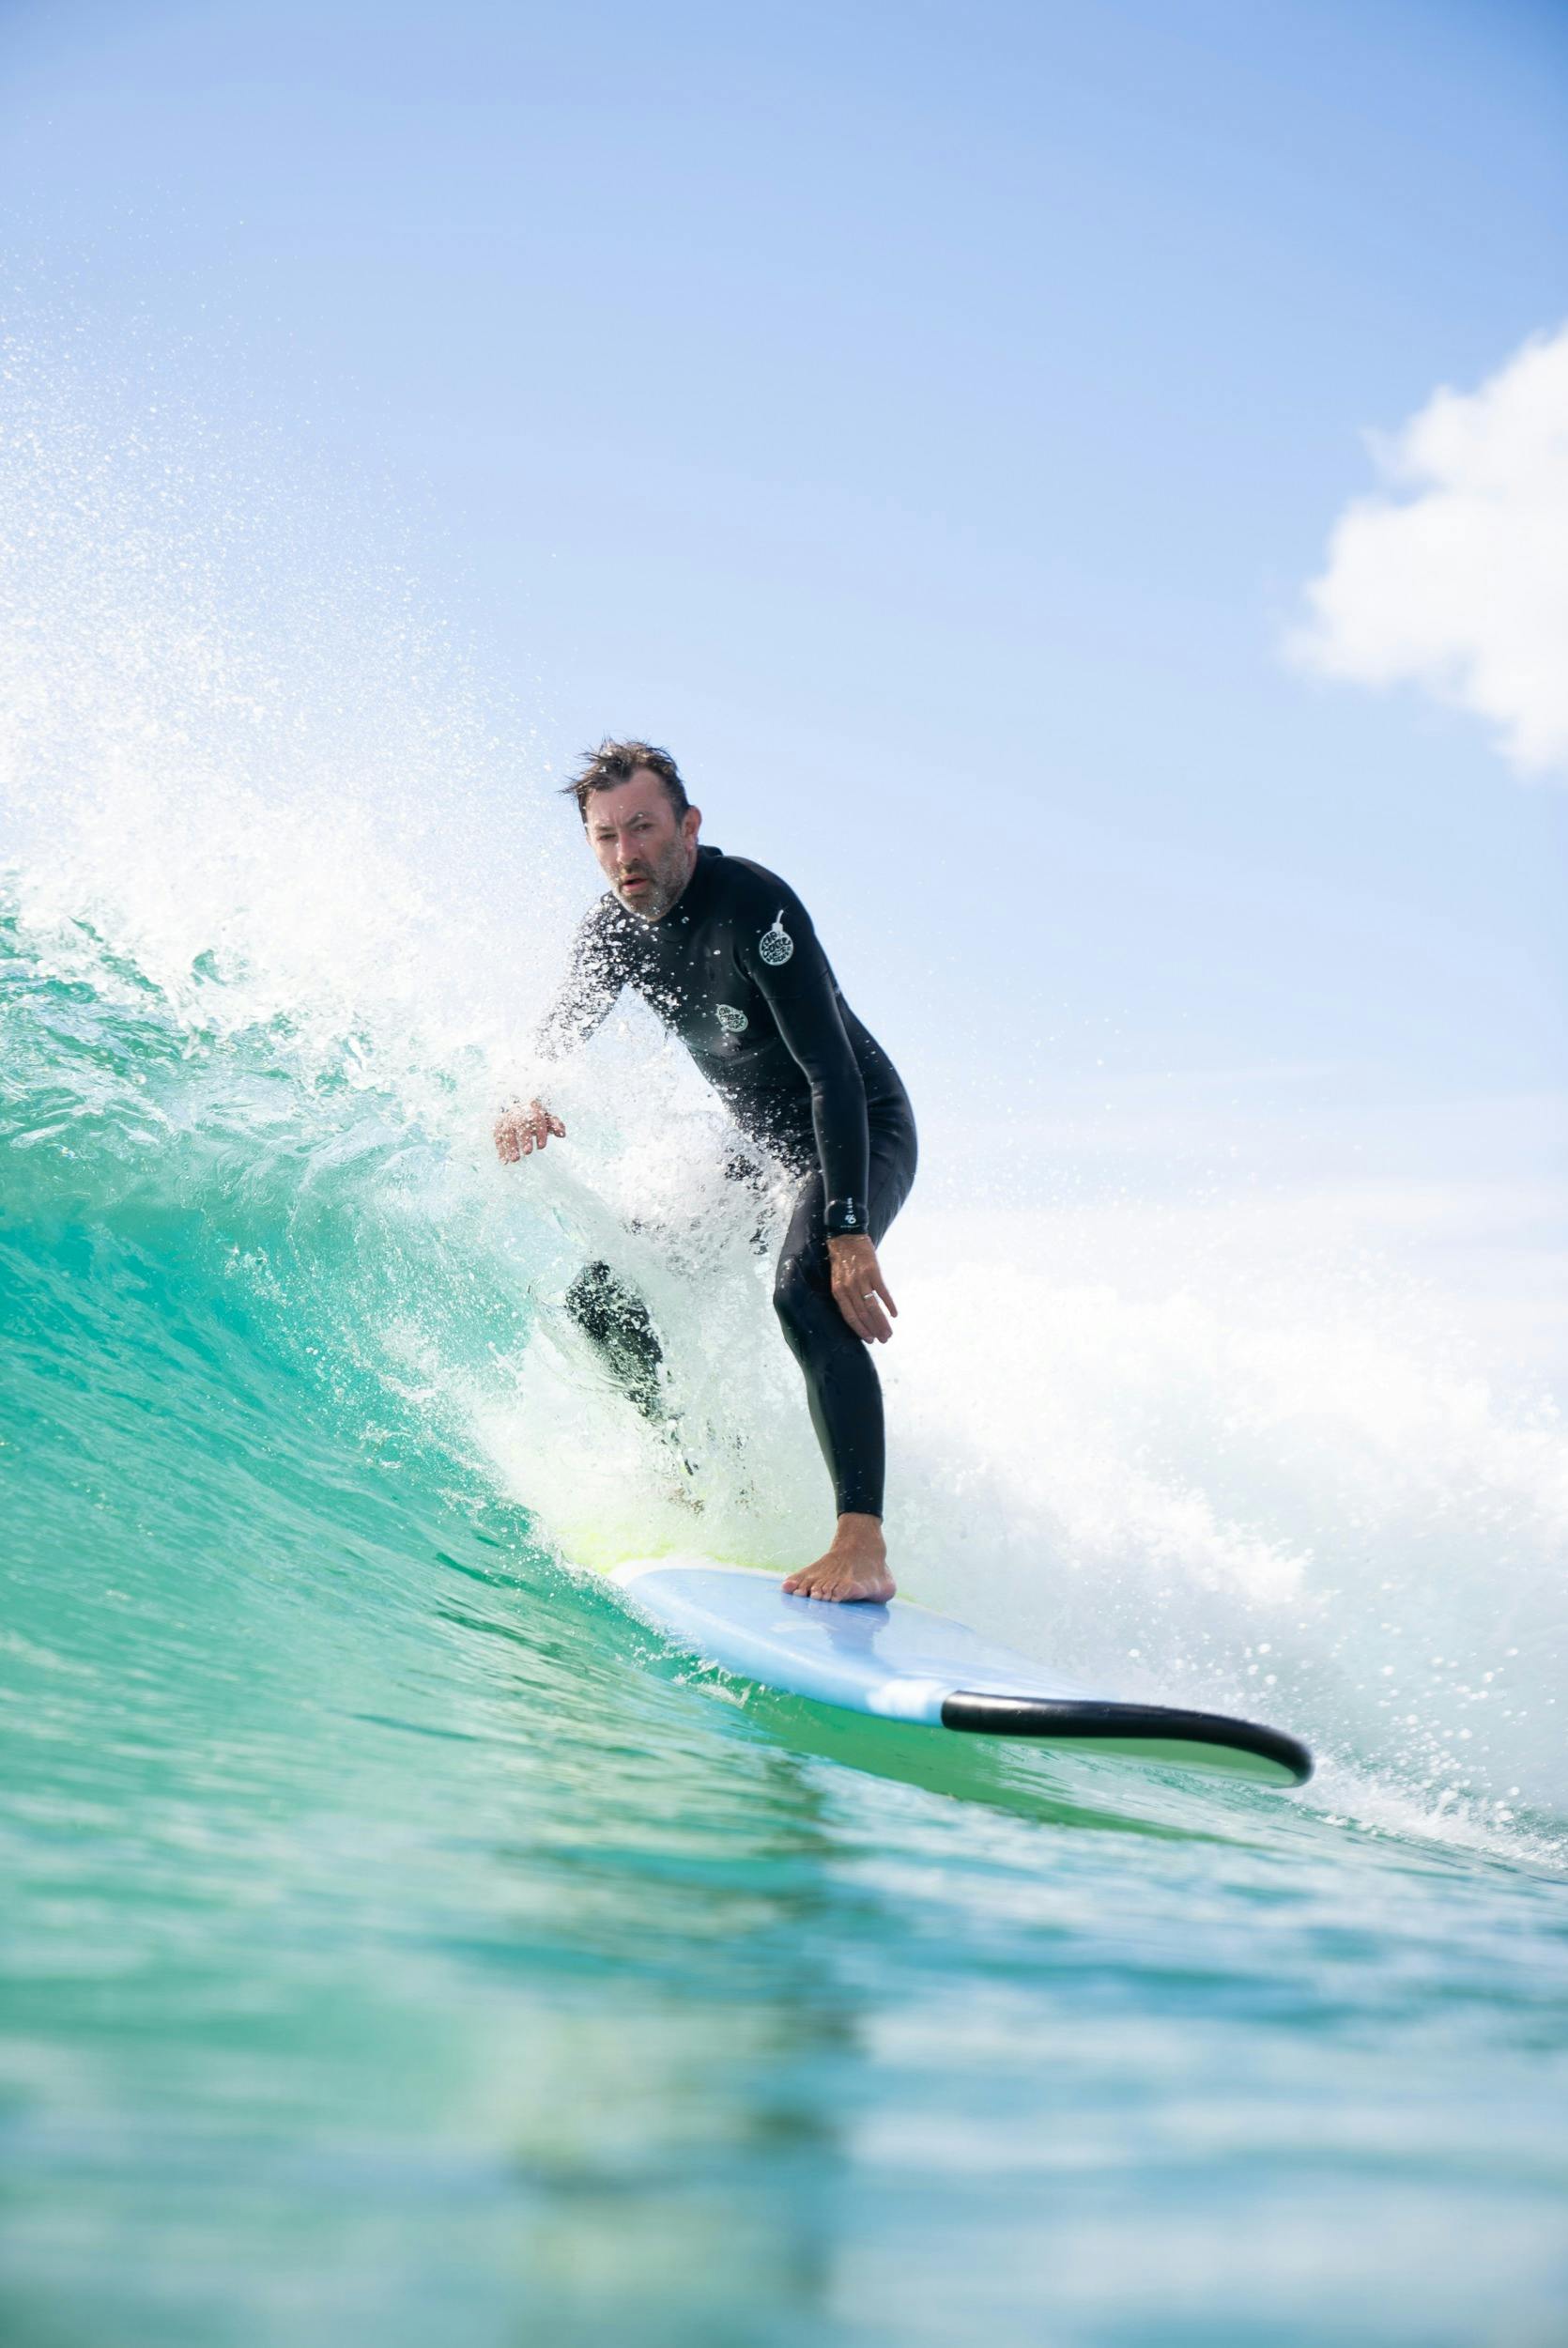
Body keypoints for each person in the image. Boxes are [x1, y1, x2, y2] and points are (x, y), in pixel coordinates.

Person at [495, 740, 916, 1603]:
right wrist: (527, 1096)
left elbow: (831, 1074)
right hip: (761, 1152)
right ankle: (696, 1474)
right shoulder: (612, 929)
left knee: (804, 1289)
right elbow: (559, 1031)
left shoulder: (754, 905)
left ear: (688, 826)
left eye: (643, 828)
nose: (626, 854)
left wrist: (847, 1228)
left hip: (858, 1129)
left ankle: (861, 1544)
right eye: (606, 836)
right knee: (603, 1299)